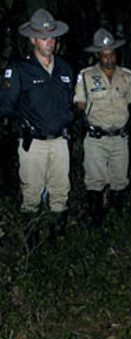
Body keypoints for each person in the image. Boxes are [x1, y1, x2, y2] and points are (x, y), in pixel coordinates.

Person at [0, 8, 73, 247]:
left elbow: (70, 102)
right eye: (43, 37)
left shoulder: (65, 69)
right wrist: (24, 124)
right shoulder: (19, 69)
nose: (49, 41)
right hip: (33, 144)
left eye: (52, 37)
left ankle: (56, 242)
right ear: (32, 39)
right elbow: (6, 105)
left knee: (61, 192)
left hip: (60, 142)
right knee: (31, 195)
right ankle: (32, 246)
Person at [74, 28, 131, 227]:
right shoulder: (85, 76)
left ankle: (117, 220)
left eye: (112, 53)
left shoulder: (127, 75)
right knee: (95, 180)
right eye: (104, 54)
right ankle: (96, 221)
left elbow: (130, 102)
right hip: (96, 138)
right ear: (98, 55)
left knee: (120, 179)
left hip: (120, 137)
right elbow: (80, 104)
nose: (109, 58)